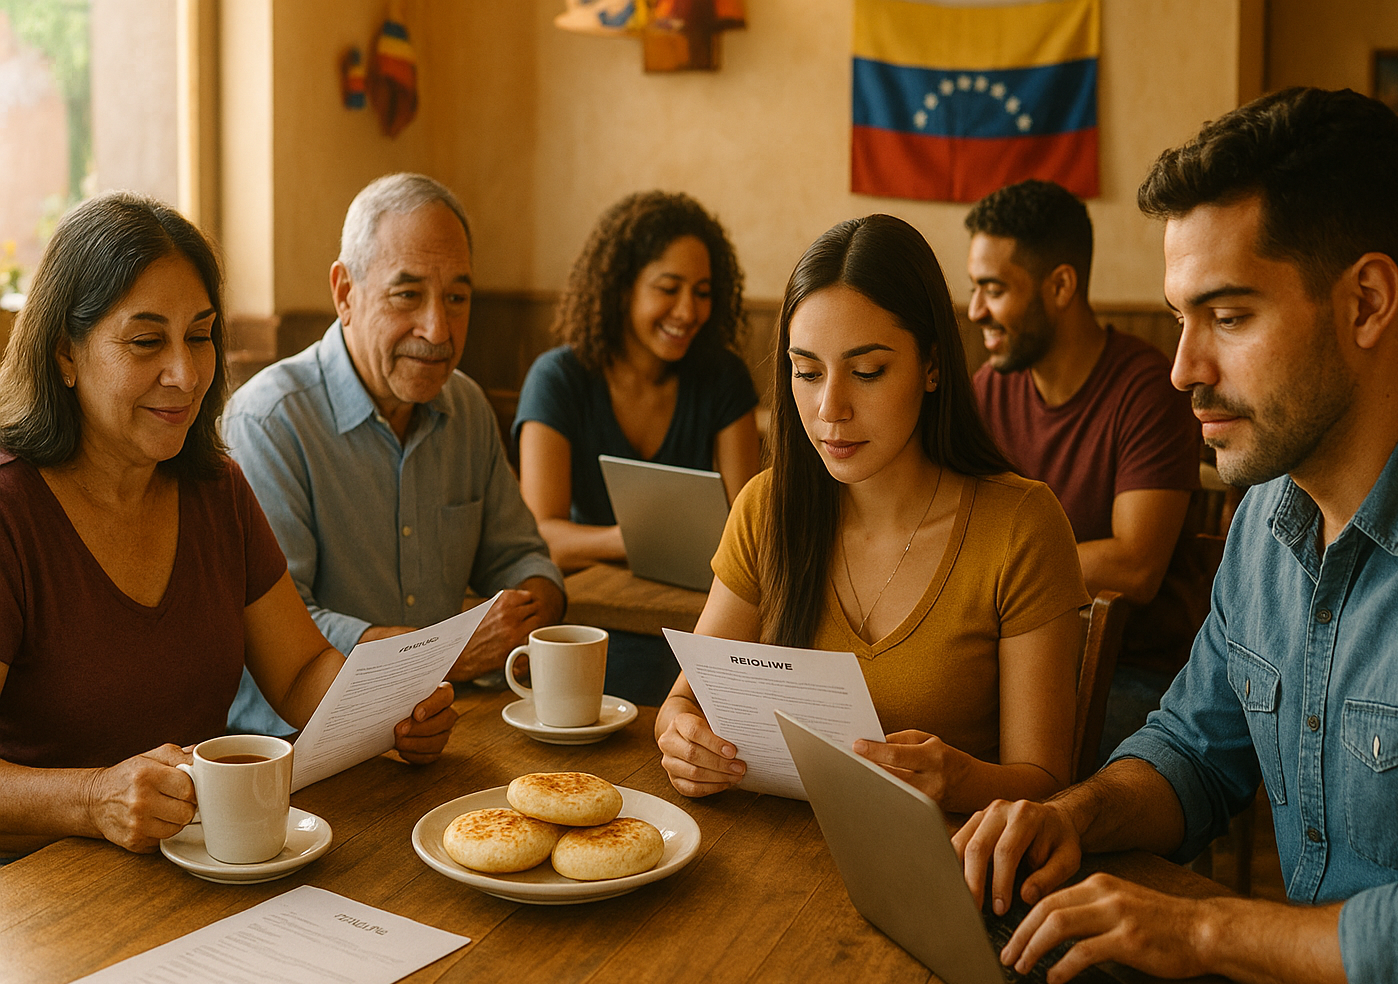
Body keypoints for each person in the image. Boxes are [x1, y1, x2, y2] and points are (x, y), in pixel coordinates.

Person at [953, 87, 1398, 984]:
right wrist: (1074, 816)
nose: (1183, 367)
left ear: (1368, 303)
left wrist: (1195, 931)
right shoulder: (1265, 514)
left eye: (1227, 317)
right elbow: (1195, 747)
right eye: (1181, 317)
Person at [0, 193, 456, 859]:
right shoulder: (12, 511)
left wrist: (391, 708)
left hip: (207, 862)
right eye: (147, 341)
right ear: (66, 354)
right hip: (38, 907)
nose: (184, 373)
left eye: (201, 335)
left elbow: (301, 673)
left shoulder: (216, 489)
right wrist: (94, 797)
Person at [656, 214, 1090, 812]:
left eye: (867, 372)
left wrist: (961, 781)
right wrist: (682, 742)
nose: (831, 407)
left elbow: (1046, 781)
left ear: (932, 365)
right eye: (806, 372)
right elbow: (685, 704)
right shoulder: (768, 507)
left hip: (950, 874)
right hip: (774, 857)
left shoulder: (1020, 526)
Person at [224, 173, 564, 737]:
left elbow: (524, 558)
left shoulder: (468, 407)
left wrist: (530, 613)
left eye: (457, 298)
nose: (437, 329)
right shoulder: (268, 422)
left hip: (433, 734)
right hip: (295, 751)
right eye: (407, 295)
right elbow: (286, 630)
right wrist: (444, 655)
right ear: (344, 293)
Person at [965, 180, 1203, 761]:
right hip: (1017, 651)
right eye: (975, 289)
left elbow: (1136, 565)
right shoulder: (989, 389)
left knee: (1007, 760)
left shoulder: (1148, 389)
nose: (975, 312)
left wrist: (1001, 570)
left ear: (1062, 285)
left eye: (993, 290)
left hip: (1139, 675)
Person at [515, 191, 759, 705]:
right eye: (668, 289)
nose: (688, 311)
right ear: (621, 288)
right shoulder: (557, 380)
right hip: (589, 625)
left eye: (703, 291)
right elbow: (539, 537)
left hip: (698, 624)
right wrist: (633, 540)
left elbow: (750, 525)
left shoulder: (723, 379)